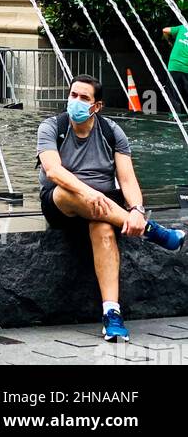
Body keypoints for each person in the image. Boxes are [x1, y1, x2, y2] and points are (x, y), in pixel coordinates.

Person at [37, 74, 185, 341]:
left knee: (104, 230)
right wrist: (88, 191)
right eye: (73, 96)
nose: (76, 102)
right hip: (62, 203)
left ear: (97, 106)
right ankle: (153, 232)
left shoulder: (111, 131)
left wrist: (138, 209)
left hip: (103, 205)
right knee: (66, 191)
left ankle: (112, 314)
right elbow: (54, 171)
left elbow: (127, 178)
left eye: (84, 98)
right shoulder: (52, 127)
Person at [162, 17, 188, 106]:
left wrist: (169, 42)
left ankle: (175, 116)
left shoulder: (183, 27)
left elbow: (165, 30)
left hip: (174, 65)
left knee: (174, 94)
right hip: (186, 68)